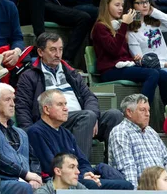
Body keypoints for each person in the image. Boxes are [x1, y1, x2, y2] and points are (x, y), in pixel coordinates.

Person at [16, 32, 123, 160]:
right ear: (40, 52)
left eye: (60, 49)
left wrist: (94, 115)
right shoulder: (29, 76)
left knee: (114, 115)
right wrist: (32, 134)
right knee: (86, 116)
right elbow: (22, 108)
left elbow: (89, 97)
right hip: (53, 123)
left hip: (83, 119)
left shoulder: (71, 73)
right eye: (53, 50)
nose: (58, 54)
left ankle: (113, 164)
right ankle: (79, 169)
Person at [27, 90, 134, 190]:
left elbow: (82, 161)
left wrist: (87, 174)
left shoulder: (66, 133)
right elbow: (51, 166)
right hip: (60, 182)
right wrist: (81, 176)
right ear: (46, 109)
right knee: (97, 185)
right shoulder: (35, 132)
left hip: (78, 178)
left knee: (126, 185)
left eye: (65, 104)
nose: (66, 108)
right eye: (60, 104)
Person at [91, 0, 167, 105]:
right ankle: (141, 108)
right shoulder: (100, 27)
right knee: (152, 73)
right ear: (106, 6)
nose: (120, 8)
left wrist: (134, 59)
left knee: (162, 74)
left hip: (123, 66)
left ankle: (165, 109)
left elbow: (122, 53)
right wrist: (124, 26)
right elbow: (114, 50)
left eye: (122, 5)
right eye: (117, 5)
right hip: (110, 70)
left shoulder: (118, 25)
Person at [107, 94, 167, 188]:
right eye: (143, 110)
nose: (148, 114)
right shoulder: (120, 132)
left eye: (148, 110)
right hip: (143, 189)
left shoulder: (151, 132)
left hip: (162, 187)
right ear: (129, 112)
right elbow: (128, 169)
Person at [124, 0, 167, 77]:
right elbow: (141, 60)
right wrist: (165, 65)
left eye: (147, 1)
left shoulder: (153, 23)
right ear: (132, 5)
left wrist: (153, 11)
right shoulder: (131, 32)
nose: (145, 5)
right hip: (156, 69)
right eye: (140, 2)